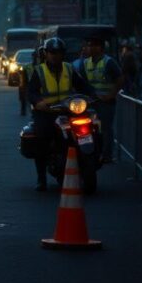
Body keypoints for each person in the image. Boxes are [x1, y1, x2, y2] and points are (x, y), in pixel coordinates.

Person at [27, 37, 96, 191]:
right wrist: (38, 102)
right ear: (46, 54)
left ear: (63, 54)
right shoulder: (39, 71)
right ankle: (41, 178)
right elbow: (31, 91)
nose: (55, 55)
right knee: (42, 138)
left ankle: (94, 158)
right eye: (52, 52)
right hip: (47, 112)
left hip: (69, 110)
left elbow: (83, 85)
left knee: (93, 127)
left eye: (58, 52)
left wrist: (93, 95)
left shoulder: (69, 68)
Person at [82, 37, 124, 163]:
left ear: (100, 48)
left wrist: (111, 95)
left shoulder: (109, 62)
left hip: (106, 103)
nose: (89, 48)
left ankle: (107, 156)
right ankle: (90, 152)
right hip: (91, 102)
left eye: (92, 45)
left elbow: (120, 79)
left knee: (106, 129)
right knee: (87, 128)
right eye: (88, 45)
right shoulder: (86, 62)